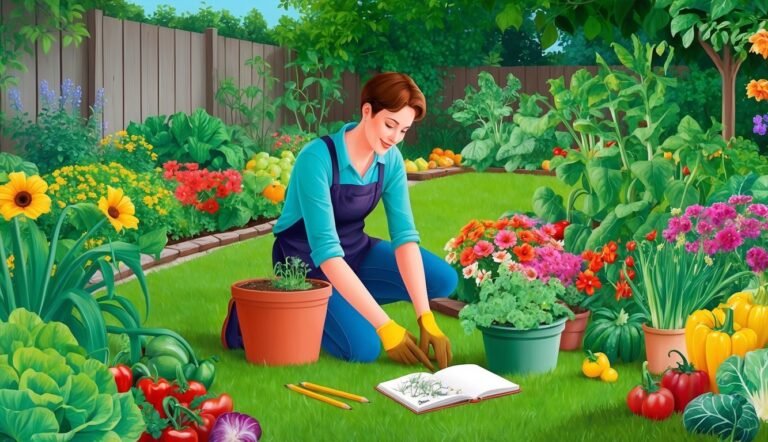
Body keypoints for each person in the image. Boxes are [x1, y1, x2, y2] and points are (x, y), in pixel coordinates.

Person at [222, 72, 457, 370]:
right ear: (367, 111)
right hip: (305, 261)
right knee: (364, 347)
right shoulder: (317, 158)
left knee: (441, 279)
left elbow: (405, 237)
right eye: (390, 125)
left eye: (404, 130)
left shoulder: (391, 159)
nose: (394, 138)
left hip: (356, 251)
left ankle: (347, 304)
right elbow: (327, 254)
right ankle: (253, 317)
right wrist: (385, 326)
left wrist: (426, 316)